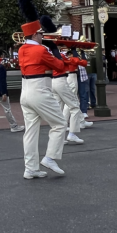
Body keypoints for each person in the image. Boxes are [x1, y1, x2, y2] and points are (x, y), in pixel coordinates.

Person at [17, 0, 68, 179]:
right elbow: (60, 66)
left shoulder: (22, 48)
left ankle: (30, 168)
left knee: (31, 131)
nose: (43, 35)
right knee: (60, 123)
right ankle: (50, 157)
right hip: (40, 90)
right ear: (36, 33)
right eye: (41, 33)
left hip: (26, 91)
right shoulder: (40, 49)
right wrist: (55, 49)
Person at [42, 17, 85, 145]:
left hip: (53, 81)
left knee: (59, 110)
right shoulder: (57, 52)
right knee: (75, 106)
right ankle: (72, 133)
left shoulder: (49, 49)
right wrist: (73, 51)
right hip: (61, 80)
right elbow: (69, 62)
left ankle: (58, 137)